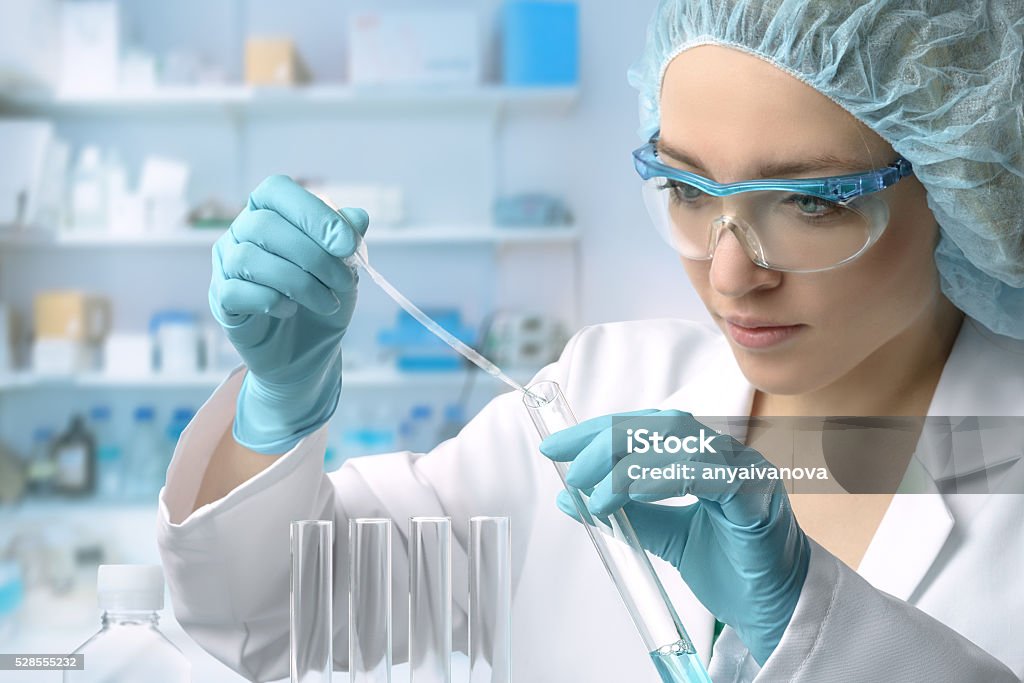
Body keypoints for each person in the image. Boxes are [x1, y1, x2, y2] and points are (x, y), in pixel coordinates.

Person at [157, 1, 1024, 681]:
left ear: (964, 178)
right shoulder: (599, 393)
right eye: (686, 188)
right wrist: (277, 409)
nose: (729, 276)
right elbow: (274, 617)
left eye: (810, 202)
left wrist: (812, 621)